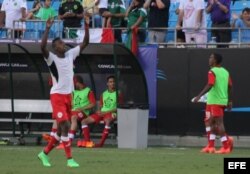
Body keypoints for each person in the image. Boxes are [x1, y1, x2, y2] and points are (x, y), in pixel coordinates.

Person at [37, 13, 89, 167]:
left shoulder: (70, 55)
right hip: (57, 96)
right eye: (60, 43)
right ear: (54, 47)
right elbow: (42, 47)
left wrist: (86, 24)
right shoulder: (51, 58)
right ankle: (70, 159)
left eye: (63, 42)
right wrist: (47, 28)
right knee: (65, 125)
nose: (63, 44)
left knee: (60, 132)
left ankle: (44, 154)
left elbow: (86, 42)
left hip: (68, 96)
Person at [193, 53, 233, 154]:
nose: (209, 59)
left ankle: (226, 146)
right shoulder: (225, 72)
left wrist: (199, 96)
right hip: (215, 101)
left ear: (215, 61)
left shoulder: (212, 71)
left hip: (215, 101)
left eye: (211, 57)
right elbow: (230, 86)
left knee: (218, 123)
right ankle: (210, 146)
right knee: (209, 122)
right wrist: (229, 100)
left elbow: (210, 84)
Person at [80, 75, 122, 148]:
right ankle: (87, 142)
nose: (112, 83)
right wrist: (99, 111)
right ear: (107, 84)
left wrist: (105, 112)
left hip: (112, 113)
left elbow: (119, 107)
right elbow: (101, 105)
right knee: (84, 121)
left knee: (108, 120)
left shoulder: (118, 93)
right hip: (102, 113)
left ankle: (101, 144)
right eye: (110, 82)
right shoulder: (104, 94)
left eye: (113, 82)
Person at [55, 75, 96, 149]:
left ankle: (69, 141)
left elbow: (93, 104)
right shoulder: (74, 92)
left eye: (73, 83)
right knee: (62, 118)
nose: (72, 85)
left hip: (83, 112)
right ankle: (61, 141)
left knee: (74, 117)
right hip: (74, 111)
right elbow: (72, 104)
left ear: (77, 83)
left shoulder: (88, 91)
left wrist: (81, 108)